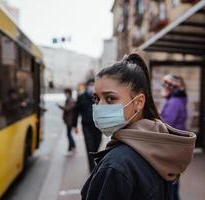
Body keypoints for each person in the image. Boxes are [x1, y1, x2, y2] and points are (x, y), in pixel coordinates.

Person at [81, 52, 196, 200]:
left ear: (139, 102)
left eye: (110, 98)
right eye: (96, 99)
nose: (99, 107)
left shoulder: (116, 166)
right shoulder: (155, 147)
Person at [160, 74, 188, 200]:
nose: (162, 88)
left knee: (171, 182)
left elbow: (167, 124)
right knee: (172, 181)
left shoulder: (174, 102)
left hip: (171, 145)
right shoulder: (176, 100)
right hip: (174, 144)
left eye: (164, 86)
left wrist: (156, 120)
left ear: (170, 87)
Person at [72, 79, 102, 172]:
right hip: (86, 126)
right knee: (90, 146)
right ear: (87, 86)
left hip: (98, 126)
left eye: (93, 85)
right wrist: (75, 125)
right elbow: (76, 111)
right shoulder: (81, 97)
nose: (91, 87)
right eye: (90, 85)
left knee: (97, 144)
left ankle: (95, 161)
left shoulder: (99, 97)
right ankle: (92, 169)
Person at [57, 88, 76, 153]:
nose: (65, 94)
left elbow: (67, 109)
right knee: (68, 134)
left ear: (68, 93)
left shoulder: (70, 100)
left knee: (68, 134)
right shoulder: (69, 99)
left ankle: (72, 146)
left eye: (66, 93)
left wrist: (60, 106)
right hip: (68, 120)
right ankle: (70, 147)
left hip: (69, 120)